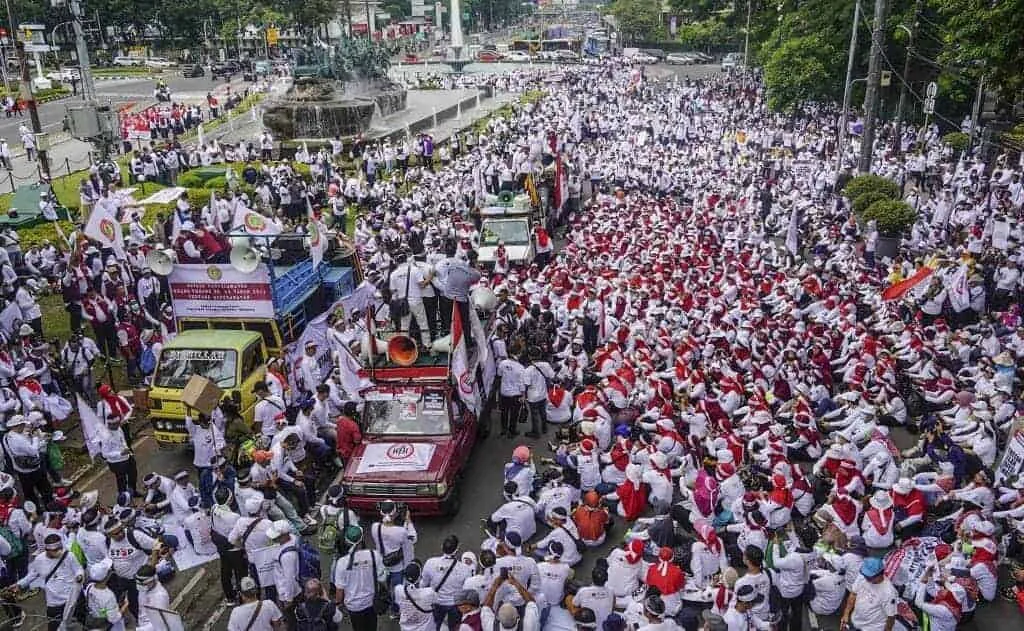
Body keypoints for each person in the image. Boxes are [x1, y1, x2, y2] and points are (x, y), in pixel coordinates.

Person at [334, 525, 386, 631]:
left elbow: (339, 590)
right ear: (362, 539)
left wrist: (338, 604)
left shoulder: (342, 563)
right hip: (371, 602)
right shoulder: (374, 555)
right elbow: (382, 578)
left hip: (353, 606)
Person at [839, 557, 898, 631]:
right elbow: (853, 594)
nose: (866, 578)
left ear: (880, 574)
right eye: (865, 575)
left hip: (872, 628)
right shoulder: (862, 577)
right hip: (856, 620)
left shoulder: (889, 592)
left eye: (869, 577)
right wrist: (846, 614)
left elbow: (891, 617)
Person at [395, 561, 437, 631]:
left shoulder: (398, 589)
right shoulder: (429, 592)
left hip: (406, 628)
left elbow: (398, 603)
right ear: (420, 577)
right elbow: (436, 602)